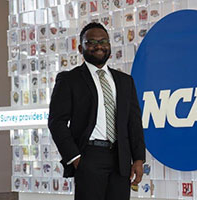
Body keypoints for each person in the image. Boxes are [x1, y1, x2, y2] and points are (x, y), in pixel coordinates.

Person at [48, 22, 146, 200]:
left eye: (104, 41)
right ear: (80, 48)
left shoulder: (125, 81)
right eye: (91, 42)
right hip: (89, 156)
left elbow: (134, 122)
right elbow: (57, 122)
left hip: (121, 158)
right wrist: (75, 158)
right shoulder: (70, 79)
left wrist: (138, 158)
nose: (99, 46)